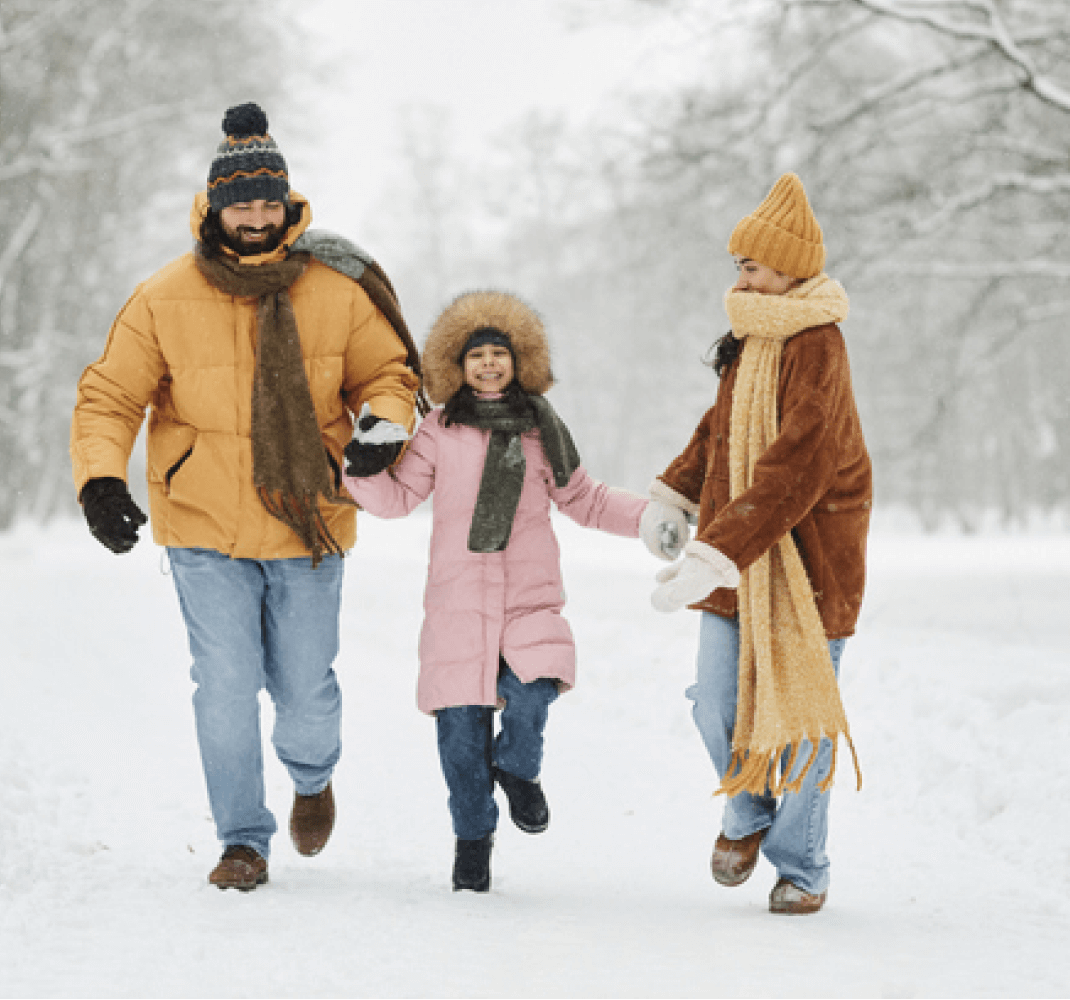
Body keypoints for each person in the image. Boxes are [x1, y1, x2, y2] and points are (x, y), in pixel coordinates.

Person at [70, 102, 426, 892]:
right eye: (243, 204)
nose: (256, 218)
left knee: (304, 692)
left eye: (270, 204)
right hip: (202, 525)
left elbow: (390, 375)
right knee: (224, 684)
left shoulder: (334, 289)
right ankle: (241, 839)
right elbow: (108, 398)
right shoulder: (163, 296)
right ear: (215, 205)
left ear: (288, 205)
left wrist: (382, 426)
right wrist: (100, 478)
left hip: (309, 521)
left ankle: (310, 774)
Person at [342, 289, 690, 893]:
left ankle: (519, 768)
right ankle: (472, 842)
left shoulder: (540, 429)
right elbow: (398, 499)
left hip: (529, 597)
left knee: (533, 692)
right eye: (476, 355)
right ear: (457, 365)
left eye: (498, 353)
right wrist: (363, 469)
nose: (488, 364)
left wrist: (646, 518)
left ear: (519, 360)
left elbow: (585, 497)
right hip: (458, 605)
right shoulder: (439, 429)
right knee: (459, 738)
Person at [648, 173, 871, 916]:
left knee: (802, 715)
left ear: (789, 269)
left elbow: (799, 463)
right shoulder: (750, 338)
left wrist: (718, 549)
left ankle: (802, 865)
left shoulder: (817, 344)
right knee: (714, 703)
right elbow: (718, 432)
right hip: (738, 546)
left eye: (751, 264)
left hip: (809, 559)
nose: (739, 276)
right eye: (737, 264)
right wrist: (676, 491)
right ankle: (745, 810)